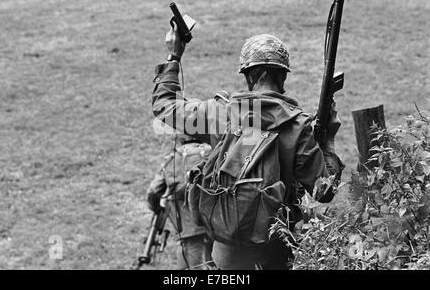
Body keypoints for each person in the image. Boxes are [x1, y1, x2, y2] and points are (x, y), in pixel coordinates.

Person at [151, 24, 344, 269]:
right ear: (283, 76)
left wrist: (174, 55)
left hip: (225, 252)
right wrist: (327, 140)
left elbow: (165, 106)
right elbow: (324, 191)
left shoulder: (219, 113)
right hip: (274, 253)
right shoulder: (298, 127)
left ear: (248, 75)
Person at [146, 133, 214, 270]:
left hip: (187, 223)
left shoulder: (172, 157)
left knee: (191, 256)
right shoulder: (212, 152)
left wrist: (156, 207)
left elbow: (154, 191)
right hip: (214, 219)